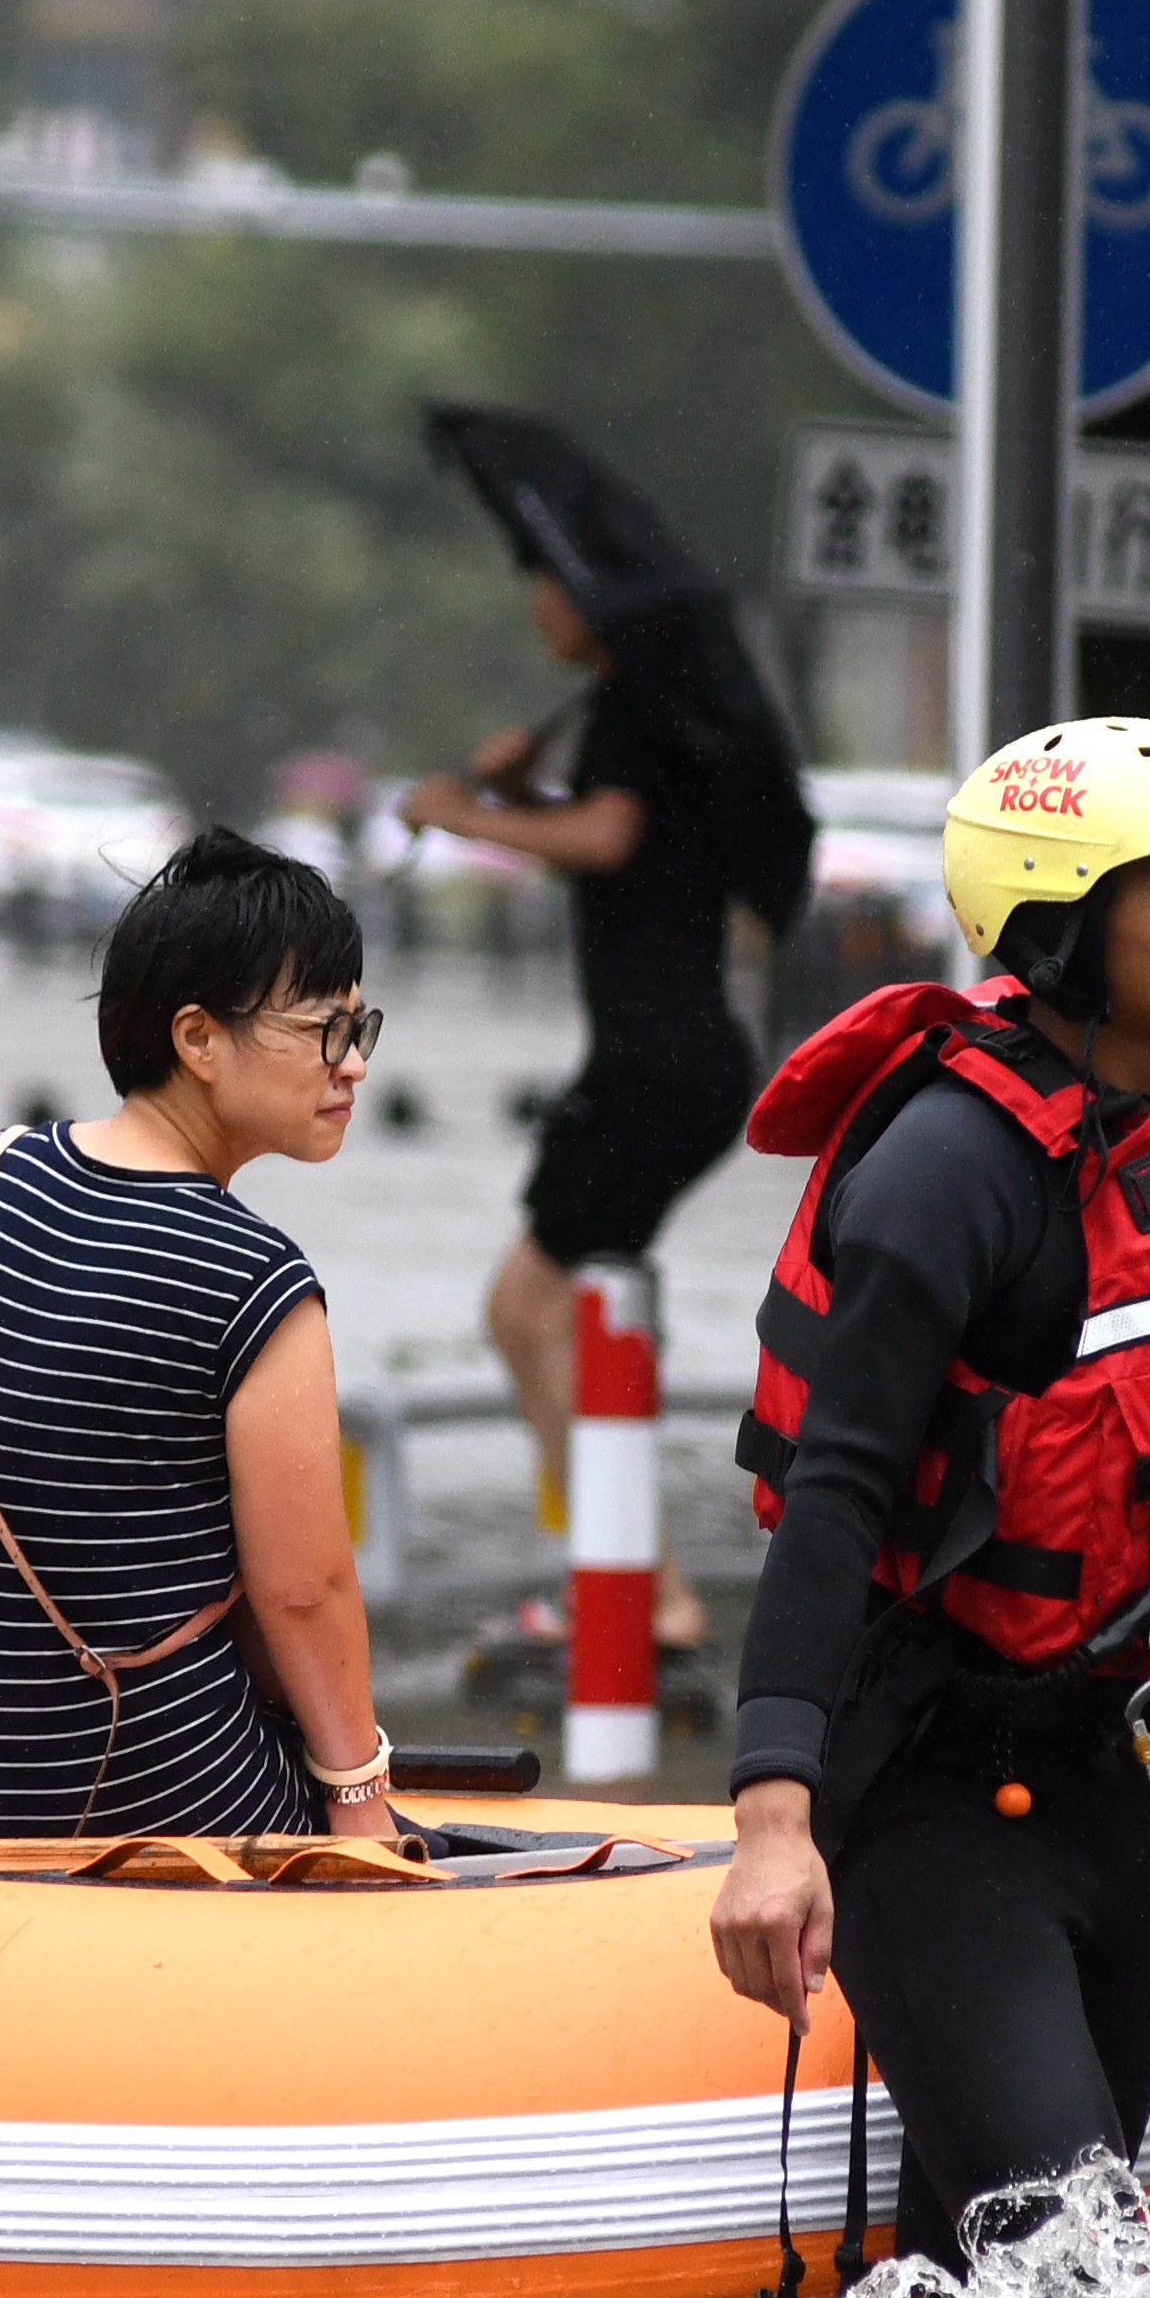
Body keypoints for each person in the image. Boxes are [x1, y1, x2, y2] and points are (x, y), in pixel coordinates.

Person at [706, 721, 1150, 2252]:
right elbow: (834, 1498)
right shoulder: (949, 1163)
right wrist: (770, 1814)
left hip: (1131, 1801)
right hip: (951, 1806)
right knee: (1083, 2295)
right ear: (1063, 922)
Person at [0, 826, 403, 1849]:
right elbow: (304, 1591)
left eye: (359, 1028)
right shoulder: (256, 1279)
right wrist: (359, 1799)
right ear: (198, 1039)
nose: (353, 1067)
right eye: (323, 1031)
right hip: (131, 1793)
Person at [408, 411, 809, 1611]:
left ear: (593, 598)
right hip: (682, 1064)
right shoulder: (637, 708)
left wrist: (466, 817)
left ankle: (638, 1587)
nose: (534, 597)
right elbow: (626, 838)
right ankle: (633, 1583)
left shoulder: (637, 714)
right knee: (576, 1312)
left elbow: (610, 836)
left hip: (652, 1064)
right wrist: (523, 783)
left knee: (522, 1306)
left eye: (544, 578)